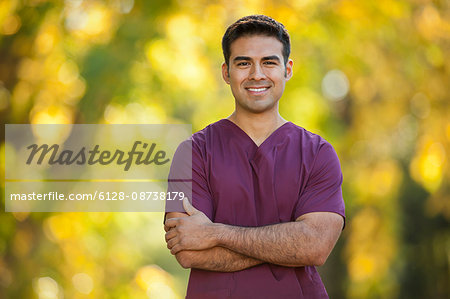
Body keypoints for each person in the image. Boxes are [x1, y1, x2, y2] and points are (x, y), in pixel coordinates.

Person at [164, 15, 345, 299]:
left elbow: (316, 247)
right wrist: (289, 245)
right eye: (243, 63)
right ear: (226, 72)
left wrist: (215, 233)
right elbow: (187, 251)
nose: (257, 74)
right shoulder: (191, 153)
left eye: (269, 62)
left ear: (287, 69)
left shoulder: (319, 153)